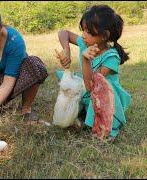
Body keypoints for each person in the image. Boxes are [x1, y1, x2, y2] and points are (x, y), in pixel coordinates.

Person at [56, 4, 131, 141]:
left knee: (97, 101)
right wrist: (66, 50)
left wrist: (85, 59)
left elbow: (92, 86)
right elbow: (63, 33)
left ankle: (109, 128)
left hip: (104, 95)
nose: (83, 35)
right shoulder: (86, 43)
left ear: (104, 35)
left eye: (88, 31)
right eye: (83, 29)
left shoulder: (111, 57)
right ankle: (82, 114)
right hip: (88, 90)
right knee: (67, 81)